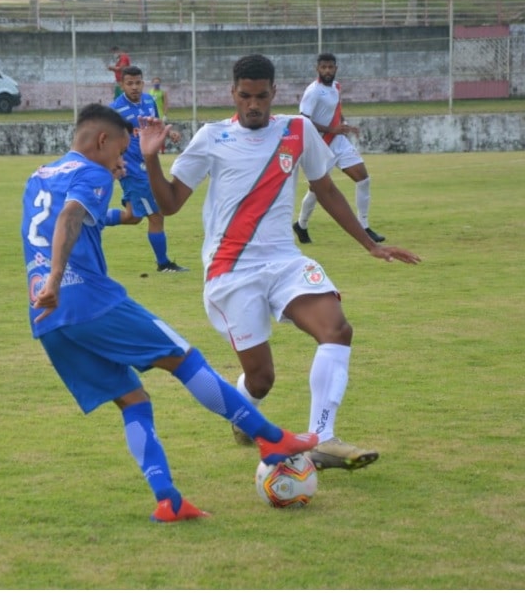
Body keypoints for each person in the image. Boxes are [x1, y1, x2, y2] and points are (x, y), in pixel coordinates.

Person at [22, 103, 318, 522]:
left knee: (134, 401)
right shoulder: (91, 172)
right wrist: (56, 277)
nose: (120, 162)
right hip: (87, 301)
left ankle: (169, 501)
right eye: (120, 152)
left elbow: (76, 218)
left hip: (48, 319)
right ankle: (272, 439)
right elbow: (71, 217)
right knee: (184, 359)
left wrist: (127, 205)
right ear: (102, 141)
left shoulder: (40, 177)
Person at [138, 54, 421, 471]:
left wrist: (370, 245)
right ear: (233, 94)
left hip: (284, 262)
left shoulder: (297, 129)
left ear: (274, 94)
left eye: (262, 96)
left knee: (337, 328)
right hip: (231, 271)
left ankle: (322, 439)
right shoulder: (212, 137)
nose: (254, 105)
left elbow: (326, 190)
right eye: (246, 96)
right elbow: (171, 204)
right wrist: (150, 159)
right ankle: (245, 411)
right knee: (261, 379)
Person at [293, 52, 386, 245]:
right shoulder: (313, 91)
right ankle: (301, 224)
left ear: (336, 68)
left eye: (331, 67)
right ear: (317, 69)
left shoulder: (335, 87)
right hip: (320, 145)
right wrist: (331, 129)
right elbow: (303, 120)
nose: (327, 70)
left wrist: (344, 124)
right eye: (323, 67)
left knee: (363, 177)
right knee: (317, 190)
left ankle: (364, 226)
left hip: (338, 141)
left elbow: (335, 108)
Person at [107, 65, 187, 273]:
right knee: (156, 215)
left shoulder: (150, 101)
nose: (134, 87)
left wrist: (169, 134)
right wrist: (115, 162)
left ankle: (90, 218)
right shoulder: (115, 109)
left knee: (133, 216)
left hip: (149, 166)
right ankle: (163, 264)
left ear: (143, 83)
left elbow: (155, 124)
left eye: (138, 82)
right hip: (132, 170)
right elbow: (107, 139)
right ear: (121, 85)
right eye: (129, 83)